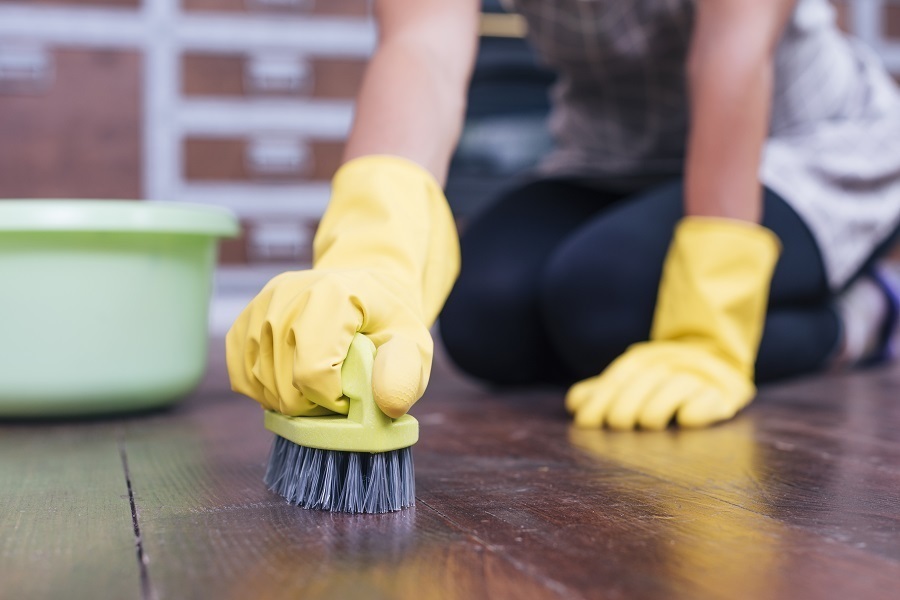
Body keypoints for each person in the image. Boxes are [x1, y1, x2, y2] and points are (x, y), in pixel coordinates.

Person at [226, 0, 900, 430]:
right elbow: (424, 46)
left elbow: (731, 58)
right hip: (614, 155)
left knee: (601, 303)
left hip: (797, 144)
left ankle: (861, 315)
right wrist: (369, 254)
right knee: (484, 317)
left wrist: (708, 326)